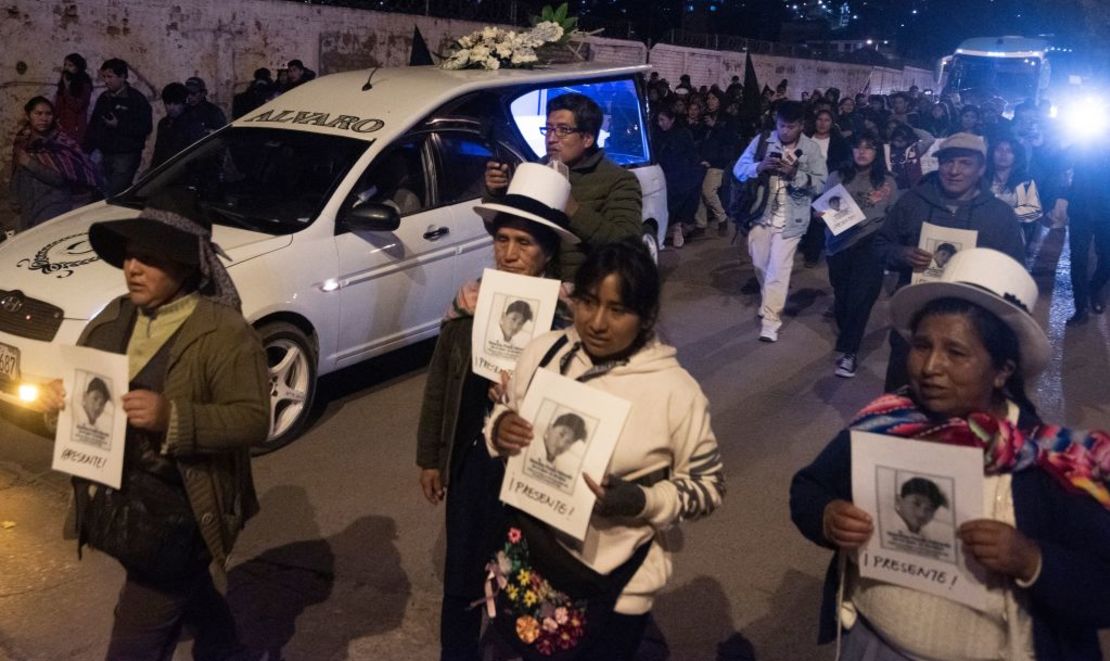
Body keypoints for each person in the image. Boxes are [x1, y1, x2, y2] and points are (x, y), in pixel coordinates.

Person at [790, 247, 1110, 660]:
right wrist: (827, 515)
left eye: (956, 353)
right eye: (922, 346)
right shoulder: (886, 422)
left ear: (1002, 371)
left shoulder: (1046, 459)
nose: (929, 367)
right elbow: (809, 489)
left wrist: (1031, 559)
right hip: (870, 644)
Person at [37, 190, 269, 659]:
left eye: (149, 258)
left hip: (181, 511)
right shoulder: (115, 317)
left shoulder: (224, 333)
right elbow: (85, 395)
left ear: (185, 266)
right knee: (195, 596)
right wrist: (56, 400)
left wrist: (173, 417)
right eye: (129, 255)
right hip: (122, 501)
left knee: (136, 635)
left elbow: (253, 420)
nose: (132, 268)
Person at [486, 241, 724, 660]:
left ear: (646, 316)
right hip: (531, 555)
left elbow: (707, 487)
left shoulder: (676, 392)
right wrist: (500, 427)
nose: (597, 322)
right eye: (589, 302)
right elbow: (506, 411)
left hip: (617, 583)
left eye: (618, 310)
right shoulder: (544, 351)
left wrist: (643, 500)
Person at [416, 162, 580, 661]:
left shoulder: (568, 324)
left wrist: (527, 398)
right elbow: (442, 385)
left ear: (548, 251)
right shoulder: (469, 304)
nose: (509, 253)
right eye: (502, 240)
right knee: (461, 574)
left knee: (527, 578)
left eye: (524, 243)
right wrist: (430, 457)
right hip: (472, 466)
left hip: (531, 472)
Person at [875, 132, 1025, 391]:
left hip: (971, 327)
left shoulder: (999, 215)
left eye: (965, 163)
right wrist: (901, 254)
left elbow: (1015, 272)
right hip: (914, 321)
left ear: (981, 169)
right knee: (901, 392)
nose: (954, 171)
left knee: (956, 398)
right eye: (947, 162)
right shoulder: (913, 201)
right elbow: (880, 245)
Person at [484, 92, 642, 279]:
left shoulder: (619, 180)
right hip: (533, 287)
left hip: (584, 292)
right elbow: (503, 231)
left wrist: (573, 210)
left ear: (587, 139)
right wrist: (495, 194)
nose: (551, 138)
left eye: (563, 130)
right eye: (548, 129)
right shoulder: (535, 170)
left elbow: (628, 246)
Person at [733, 100, 828, 342]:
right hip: (760, 214)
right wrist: (759, 166)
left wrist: (795, 174)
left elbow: (821, 183)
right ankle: (769, 301)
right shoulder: (763, 140)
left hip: (792, 218)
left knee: (779, 268)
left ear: (801, 125)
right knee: (760, 262)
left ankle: (771, 320)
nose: (785, 131)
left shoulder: (811, 149)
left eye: (791, 126)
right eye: (782, 125)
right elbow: (738, 169)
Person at [823, 131, 899, 378]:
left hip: (871, 242)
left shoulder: (887, 182)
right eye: (858, 147)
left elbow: (894, 216)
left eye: (869, 147)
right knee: (842, 296)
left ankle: (849, 352)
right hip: (839, 244)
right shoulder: (837, 176)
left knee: (861, 297)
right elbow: (826, 206)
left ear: (876, 153)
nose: (862, 152)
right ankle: (849, 335)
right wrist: (822, 213)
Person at [9, 96, 100, 232]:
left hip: (53, 205)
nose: (44, 118)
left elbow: (60, 178)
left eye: (48, 114)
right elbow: (16, 170)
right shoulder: (23, 139)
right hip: (28, 204)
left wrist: (30, 163)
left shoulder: (61, 142)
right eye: (38, 113)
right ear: (28, 115)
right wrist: (14, 198)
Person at [85, 58, 153, 196]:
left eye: (110, 76)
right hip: (104, 154)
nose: (106, 81)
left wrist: (119, 125)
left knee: (115, 194)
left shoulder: (136, 99)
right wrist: (87, 150)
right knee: (99, 193)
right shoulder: (104, 98)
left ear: (122, 77)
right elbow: (94, 125)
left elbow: (145, 128)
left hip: (125, 156)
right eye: (104, 77)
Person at [1059, 142, 1110, 325]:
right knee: (1078, 259)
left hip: (1107, 211)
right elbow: (1063, 167)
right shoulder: (1082, 143)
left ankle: (1093, 288)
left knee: (1107, 258)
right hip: (1081, 208)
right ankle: (1080, 308)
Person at [800, 108, 852, 266]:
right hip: (804, 183)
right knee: (805, 217)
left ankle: (813, 254)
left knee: (820, 220)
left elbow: (845, 161)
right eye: (820, 119)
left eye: (826, 120)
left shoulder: (838, 142)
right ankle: (806, 245)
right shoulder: (805, 139)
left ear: (832, 123)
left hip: (828, 185)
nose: (822, 123)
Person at [652, 108, 703, 248]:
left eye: (663, 120)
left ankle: (679, 227)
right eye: (658, 120)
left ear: (672, 119)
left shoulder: (683, 134)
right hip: (666, 174)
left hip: (682, 174)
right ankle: (676, 228)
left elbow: (691, 154)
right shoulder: (658, 135)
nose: (660, 123)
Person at [54, 53, 93, 144]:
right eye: (65, 65)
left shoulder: (85, 85)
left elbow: (77, 106)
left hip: (76, 131)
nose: (66, 68)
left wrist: (67, 89)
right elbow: (57, 108)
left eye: (70, 65)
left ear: (78, 68)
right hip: (62, 129)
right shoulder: (63, 84)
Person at [151, 83, 191, 168]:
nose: (171, 107)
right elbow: (158, 151)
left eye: (175, 103)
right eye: (168, 103)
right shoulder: (163, 123)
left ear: (183, 103)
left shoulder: (192, 124)